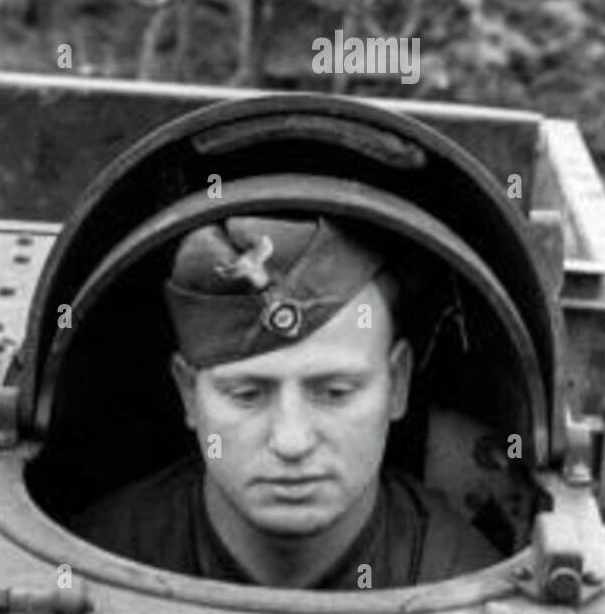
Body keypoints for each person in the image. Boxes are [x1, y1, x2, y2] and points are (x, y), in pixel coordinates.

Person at [70, 215, 499, 589]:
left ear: (397, 384)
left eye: (335, 393)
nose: (291, 442)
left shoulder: (460, 578)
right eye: (247, 395)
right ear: (188, 393)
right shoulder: (98, 558)